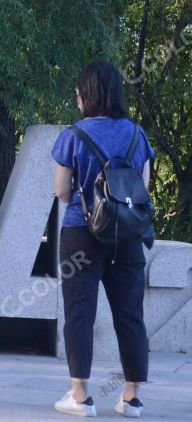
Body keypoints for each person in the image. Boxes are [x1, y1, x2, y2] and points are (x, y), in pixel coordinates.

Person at [51, 61, 155, 418]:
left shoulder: (73, 135)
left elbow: (62, 191)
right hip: (127, 236)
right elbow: (143, 184)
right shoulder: (137, 134)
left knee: (80, 314)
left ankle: (81, 398)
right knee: (130, 314)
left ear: (85, 96)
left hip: (82, 235)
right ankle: (131, 399)